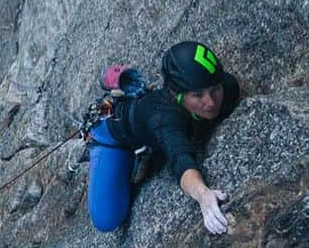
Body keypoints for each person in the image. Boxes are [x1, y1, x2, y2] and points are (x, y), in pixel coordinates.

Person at [87, 40, 240, 235]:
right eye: (197, 95)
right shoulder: (165, 118)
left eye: (214, 89)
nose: (210, 102)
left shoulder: (227, 88)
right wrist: (203, 195)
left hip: (145, 122)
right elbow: (180, 161)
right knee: (107, 220)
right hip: (112, 135)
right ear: (177, 94)